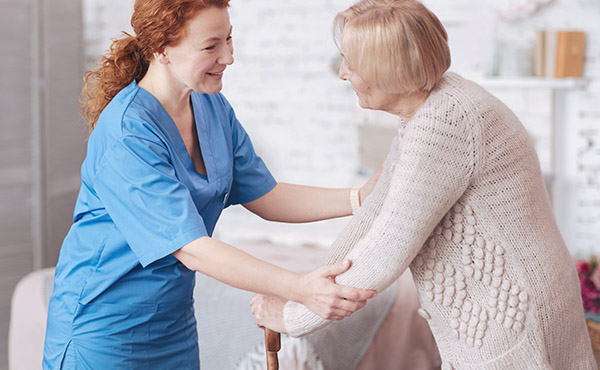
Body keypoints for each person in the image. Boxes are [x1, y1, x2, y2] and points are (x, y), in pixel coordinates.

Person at [250, 0, 597, 369]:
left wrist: (294, 318)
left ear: (387, 67)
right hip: (512, 308)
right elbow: (373, 218)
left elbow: (387, 249)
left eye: (351, 62)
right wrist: (304, 293)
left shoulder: (444, 121)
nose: (343, 74)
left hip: (509, 319)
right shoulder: (428, 110)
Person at [42, 0, 381, 368]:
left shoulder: (212, 108)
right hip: (104, 331)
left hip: (173, 327)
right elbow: (190, 247)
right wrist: (300, 289)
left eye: (229, 39)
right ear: (161, 49)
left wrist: (361, 198)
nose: (229, 57)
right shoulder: (127, 132)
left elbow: (266, 195)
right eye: (211, 46)